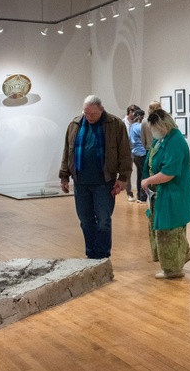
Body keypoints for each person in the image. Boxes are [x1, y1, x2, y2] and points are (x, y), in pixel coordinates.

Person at [59, 95, 132, 259]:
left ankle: (102, 255)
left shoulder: (115, 125)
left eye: (93, 114)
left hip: (104, 182)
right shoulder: (75, 124)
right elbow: (67, 152)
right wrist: (64, 176)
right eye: (86, 113)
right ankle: (91, 254)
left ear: (102, 109)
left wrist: (123, 178)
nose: (89, 117)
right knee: (85, 220)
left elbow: (125, 154)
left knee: (103, 220)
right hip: (81, 182)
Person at [140, 109, 190, 279]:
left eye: (154, 128)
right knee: (169, 228)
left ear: (163, 125)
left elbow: (169, 172)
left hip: (173, 193)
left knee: (169, 229)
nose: (152, 132)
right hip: (162, 193)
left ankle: (173, 269)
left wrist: (148, 181)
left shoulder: (175, 142)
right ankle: (184, 253)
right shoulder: (164, 139)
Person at [122, 105, 141, 202]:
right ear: (129, 111)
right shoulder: (122, 123)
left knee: (140, 170)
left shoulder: (137, 123)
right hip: (126, 150)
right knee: (128, 171)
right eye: (133, 112)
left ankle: (140, 193)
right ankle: (129, 192)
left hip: (137, 149)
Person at [129, 109, 148, 203]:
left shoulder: (132, 126)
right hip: (141, 152)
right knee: (144, 174)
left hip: (134, 153)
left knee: (139, 174)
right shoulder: (140, 127)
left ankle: (139, 196)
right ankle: (142, 196)